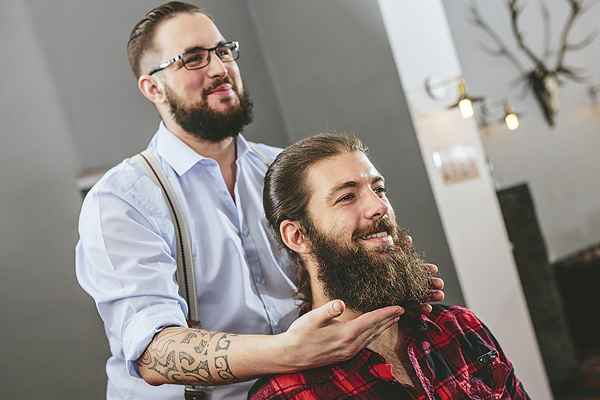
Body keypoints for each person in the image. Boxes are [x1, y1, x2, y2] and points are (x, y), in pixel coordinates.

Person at [75, 3, 444, 400]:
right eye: (194, 58)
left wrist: (387, 279)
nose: (219, 68)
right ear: (152, 87)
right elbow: (153, 353)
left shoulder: (281, 169)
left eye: (222, 51)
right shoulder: (121, 201)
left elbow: (328, 269)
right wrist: (290, 353)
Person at [249, 133, 530, 399]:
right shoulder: (286, 392)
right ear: (298, 236)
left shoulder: (459, 329)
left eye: (379, 189)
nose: (379, 207)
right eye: (347, 197)